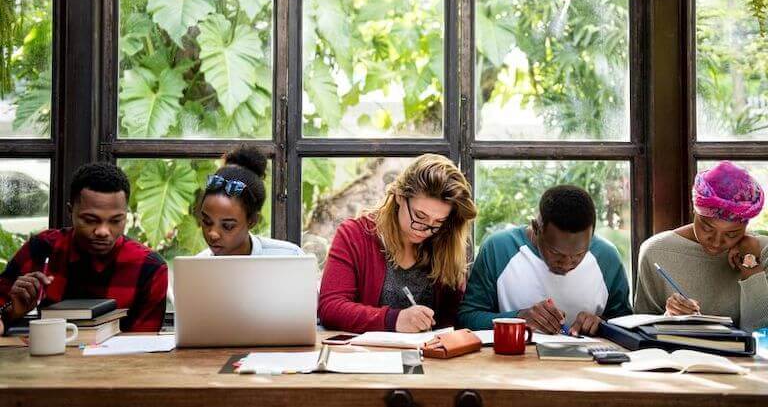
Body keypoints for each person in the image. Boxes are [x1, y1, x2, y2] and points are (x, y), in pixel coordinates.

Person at [0, 163, 168, 334]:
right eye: (90, 220)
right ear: (70, 211)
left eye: (116, 221)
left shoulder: (149, 267)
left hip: (117, 360)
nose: (103, 231)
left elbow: (145, 344)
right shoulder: (42, 248)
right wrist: (13, 311)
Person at [318, 154, 477, 333]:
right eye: (419, 216)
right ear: (400, 196)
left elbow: (453, 320)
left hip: (433, 357)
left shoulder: (445, 240)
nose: (424, 229)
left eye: (438, 222)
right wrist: (393, 319)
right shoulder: (354, 235)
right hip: (365, 356)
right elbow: (330, 308)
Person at [458, 185, 631, 335]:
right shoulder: (499, 249)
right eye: (556, 253)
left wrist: (602, 324)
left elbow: (627, 324)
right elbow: (466, 318)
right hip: (512, 364)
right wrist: (519, 318)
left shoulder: (607, 257)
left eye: (579, 255)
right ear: (536, 228)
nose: (567, 264)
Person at [635, 161, 768, 331]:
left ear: (746, 225)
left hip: (745, 358)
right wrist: (669, 319)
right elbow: (639, 330)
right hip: (677, 356)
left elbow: (761, 332)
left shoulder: (763, 251)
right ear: (694, 210)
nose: (716, 241)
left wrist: (751, 267)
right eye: (707, 227)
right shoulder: (656, 251)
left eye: (731, 234)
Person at [196, 146, 302, 257]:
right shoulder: (195, 267)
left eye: (227, 226)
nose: (213, 234)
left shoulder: (289, 257)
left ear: (252, 221)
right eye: (207, 222)